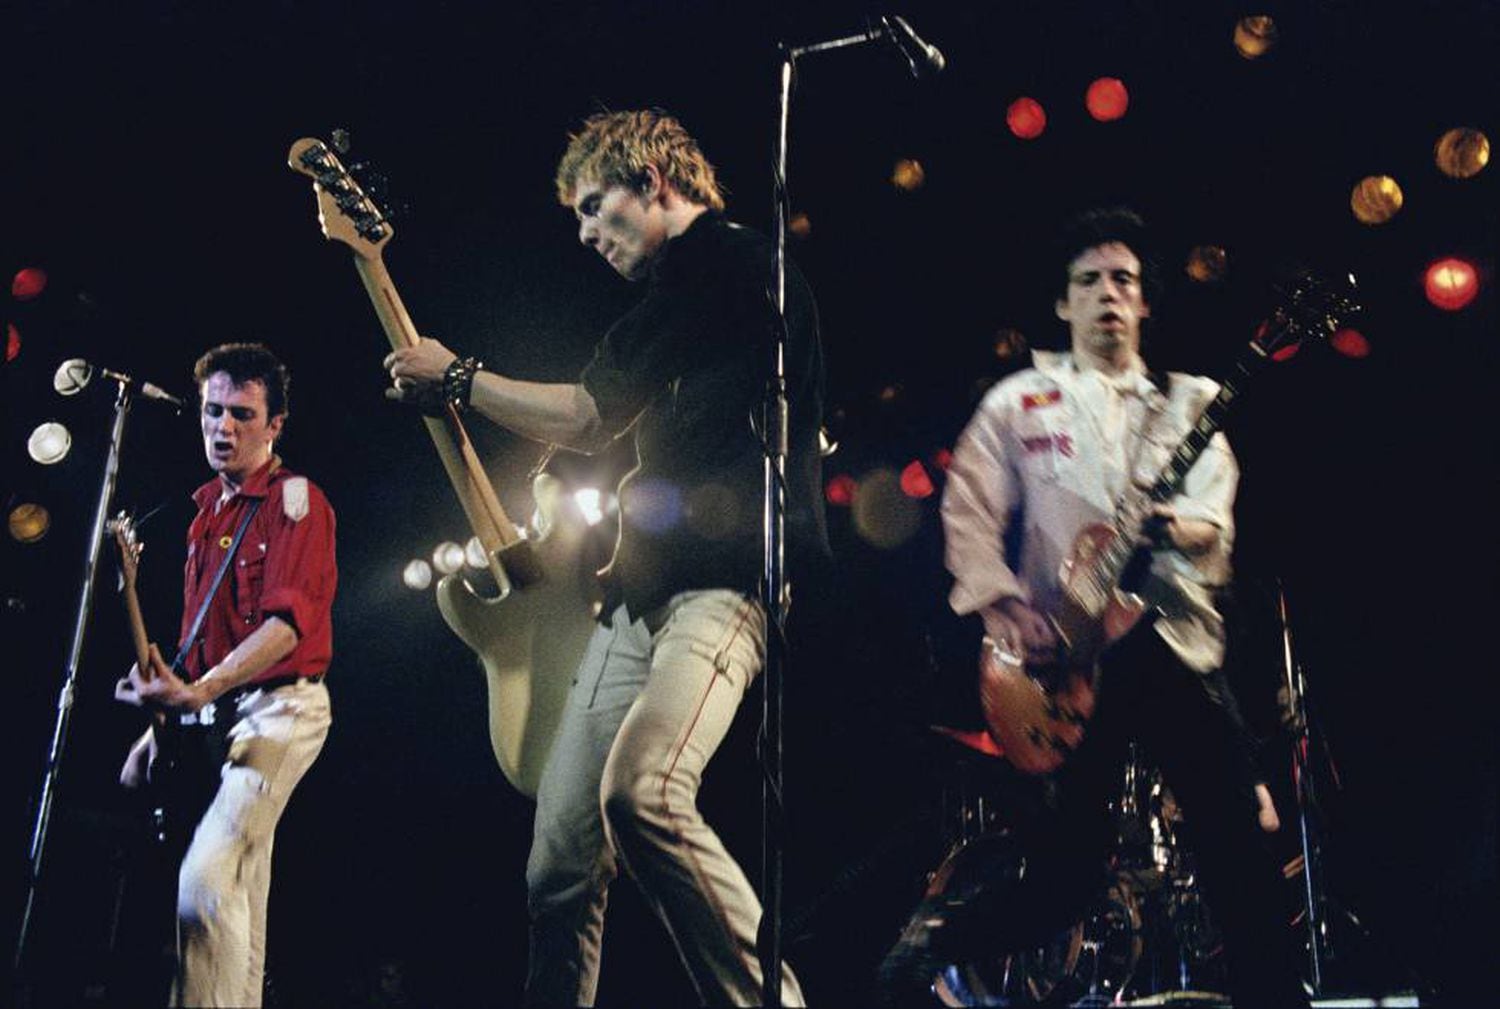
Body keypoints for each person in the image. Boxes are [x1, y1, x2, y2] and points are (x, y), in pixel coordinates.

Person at [385, 109, 826, 1006]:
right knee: (557, 859)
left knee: (646, 794)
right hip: (638, 595)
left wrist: (460, 377)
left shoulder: (732, 264)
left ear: (653, 184)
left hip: (724, 587)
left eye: (595, 206)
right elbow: (603, 428)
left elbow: (590, 409)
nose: (587, 233)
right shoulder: (680, 298)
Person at [878, 208, 1306, 1007]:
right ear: (1063, 304)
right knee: (1066, 879)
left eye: (1125, 281)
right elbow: (966, 512)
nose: (1109, 294)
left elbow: (1216, 516)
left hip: (1170, 643)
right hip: (1062, 665)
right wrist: (1005, 610)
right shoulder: (1020, 402)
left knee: (1236, 852)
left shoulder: (1191, 400)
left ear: (1144, 304)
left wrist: (1175, 523)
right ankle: (934, 939)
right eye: (1090, 281)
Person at [116, 342, 336, 1008]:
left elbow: (287, 628)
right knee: (240, 897)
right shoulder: (204, 511)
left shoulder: (296, 499)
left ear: (275, 425)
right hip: (223, 715)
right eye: (213, 411)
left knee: (205, 881)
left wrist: (200, 689)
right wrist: (160, 724)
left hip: (284, 711)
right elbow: (196, 648)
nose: (223, 427)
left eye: (242, 413)